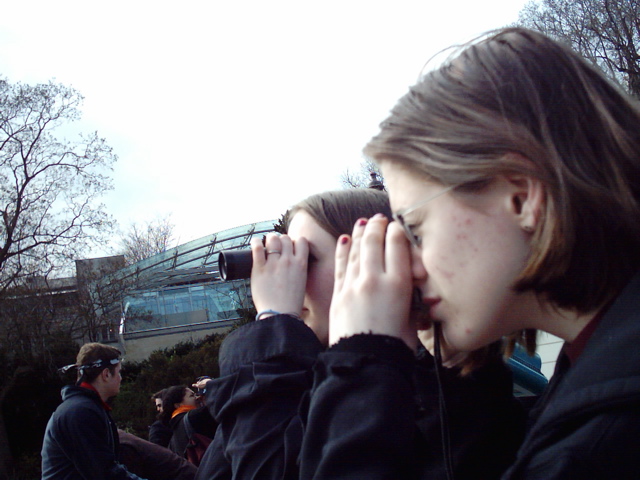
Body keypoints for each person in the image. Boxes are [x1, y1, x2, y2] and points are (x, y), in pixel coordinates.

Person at [298, 27, 640, 479]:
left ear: (523, 198)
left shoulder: (604, 443)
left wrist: (359, 366)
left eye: (415, 231)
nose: (411, 269)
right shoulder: (597, 383)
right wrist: (449, 373)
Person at [196, 188, 524, 480]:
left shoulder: (446, 391)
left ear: (384, 258)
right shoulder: (315, 380)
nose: (288, 278)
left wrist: (274, 321)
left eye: (305, 260)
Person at [41, 342, 145, 480]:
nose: (121, 378)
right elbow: (105, 473)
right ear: (106, 374)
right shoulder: (80, 412)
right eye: (119, 372)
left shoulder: (83, 408)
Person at [162, 385, 217, 465]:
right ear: (178, 405)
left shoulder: (173, 438)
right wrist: (210, 385)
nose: (197, 397)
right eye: (192, 396)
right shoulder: (194, 417)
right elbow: (221, 403)